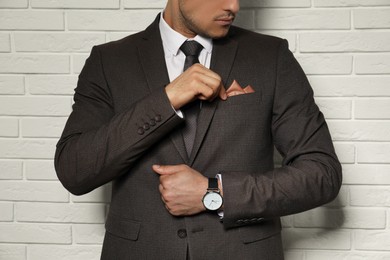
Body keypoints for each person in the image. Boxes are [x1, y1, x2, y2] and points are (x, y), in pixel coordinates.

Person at [55, 0, 342, 259]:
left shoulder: (271, 57)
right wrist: (166, 100)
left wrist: (214, 192)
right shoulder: (110, 61)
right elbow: (74, 171)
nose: (234, 6)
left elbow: (322, 173)